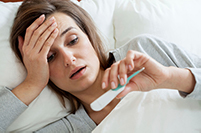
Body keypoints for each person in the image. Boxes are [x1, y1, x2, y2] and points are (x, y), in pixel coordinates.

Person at [0, 0, 200, 132]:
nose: (68, 59)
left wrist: (169, 77)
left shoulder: (144, 50)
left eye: (72, 40)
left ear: (88, 35)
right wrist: (32, 84)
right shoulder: (71, 129)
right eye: (50, 57)